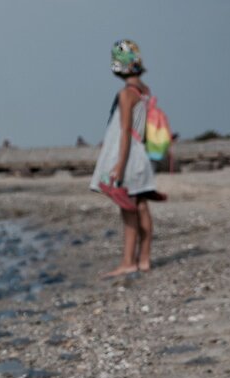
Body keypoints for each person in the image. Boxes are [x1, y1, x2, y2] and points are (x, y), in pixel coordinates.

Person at [90, 39, 160, 278]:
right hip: (142, 155)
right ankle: (144, 258)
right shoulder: (144, 90)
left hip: (129, 157)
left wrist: (118, 166)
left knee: (128, 209)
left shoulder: (125, 94)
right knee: (140, 205)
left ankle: (128, 261)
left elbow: (125, 132)